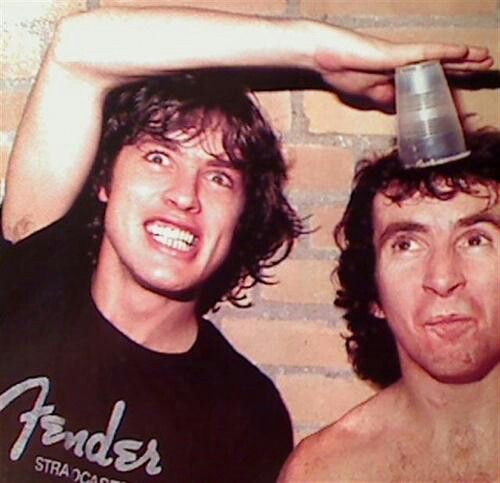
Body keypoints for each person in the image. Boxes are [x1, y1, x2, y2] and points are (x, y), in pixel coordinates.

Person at [0, 6, 494, 483]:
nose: (184, 195)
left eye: (219, 177)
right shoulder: (28, 274)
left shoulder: (245, 416)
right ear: (105, 179)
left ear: (243, 216)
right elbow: (77, 47)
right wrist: (319, 53)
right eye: (158, 157)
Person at [279, 129, 499, 482]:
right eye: (407, 245)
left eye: (474, 240)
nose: (443, 279)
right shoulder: (324, 473)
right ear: (374, 294)